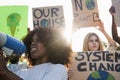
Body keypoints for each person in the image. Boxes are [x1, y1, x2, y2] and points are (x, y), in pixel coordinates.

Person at [0, 27, 73, 80]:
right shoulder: (19, 69)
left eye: (39, 40)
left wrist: (5, 72)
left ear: (52, 46)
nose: (33, 44)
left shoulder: (58, 68)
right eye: (32, 41)